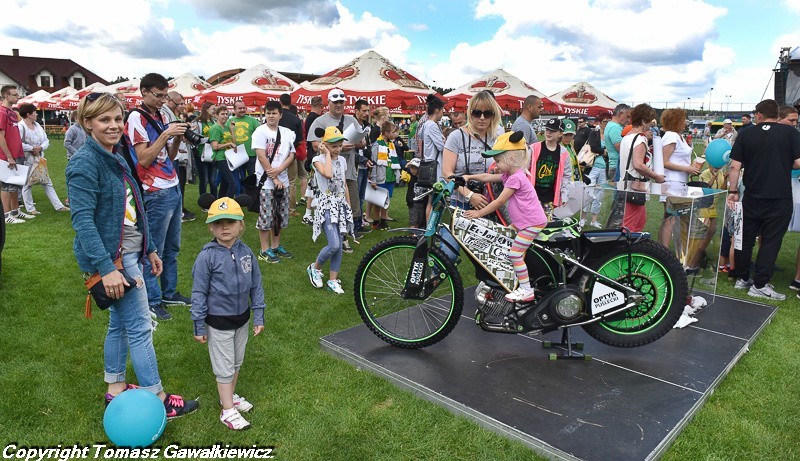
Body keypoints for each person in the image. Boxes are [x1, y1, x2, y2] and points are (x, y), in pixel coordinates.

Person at [67, 92, 198, 417]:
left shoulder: (116, 154)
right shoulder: (84, 164)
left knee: (119, 325)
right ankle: (158, 398)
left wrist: (150, 248)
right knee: (139, 327)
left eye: (117, 119)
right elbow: (82, 221)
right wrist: (107, 269)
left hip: (131, 252)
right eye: (104, 120)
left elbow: (133, 207)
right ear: (87, 123)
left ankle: (115, 387)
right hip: (114, 260)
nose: (114, 126)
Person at [191, 196, 265, 431]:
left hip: (242, 320)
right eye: (219, 222)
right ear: (211, 226)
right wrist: (198, 325)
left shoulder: (246, 252)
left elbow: (256, 284)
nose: (225, 227)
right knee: (224, 367)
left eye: (230, 222)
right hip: (218, 322)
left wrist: (259, 315)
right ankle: (227, 410)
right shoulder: (207, 257)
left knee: (236, 362)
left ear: (241, 225)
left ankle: (230, 396)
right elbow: (198, 292)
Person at [125, 73, 192, 319]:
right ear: (143, 91)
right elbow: (143, 158)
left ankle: (169, 292)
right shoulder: (135, 118)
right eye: (158, 95)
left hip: (172, 184)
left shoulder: (163, 115)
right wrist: (165, 134)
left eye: (165, 96)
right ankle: (152, 300)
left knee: (173, 247)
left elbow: (169, 157)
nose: (163, 101)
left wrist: (176, 138)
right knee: (154, 248)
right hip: (154, 190)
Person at [727, 99, 800, 301]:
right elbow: (797, 163)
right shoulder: (791, 133)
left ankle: (742, 278)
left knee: (745, 238)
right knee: (771, 240)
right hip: (779, 197)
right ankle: (759, 284)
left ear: (759, 115)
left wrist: (733, 190)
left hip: (752, 194)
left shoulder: (746, 133)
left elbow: (735, 166)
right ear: (777, 115)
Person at [463, 131, 547, 302]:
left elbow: (500, 201)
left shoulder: (516, 178)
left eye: (498, 160)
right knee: (508, 241)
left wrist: (478, 213)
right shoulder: (510, 175)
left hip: (531, 223)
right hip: (523, 221)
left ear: (510, 159)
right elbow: (488, 177)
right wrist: (469, 176)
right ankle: (515, 280)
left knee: (515, 254)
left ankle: (526, 290)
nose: (495, 164)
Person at [307, 89, 365, 253]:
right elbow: (314, 144)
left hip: (348, 169)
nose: (339, 105)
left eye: (342, 102)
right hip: (328, 171)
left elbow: (363, 142)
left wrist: (353, 144)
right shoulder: (320, 121)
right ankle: (338, 239)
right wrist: (333, 148)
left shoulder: (352, 119)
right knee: (331, 206)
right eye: (335, 102)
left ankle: (344, 236)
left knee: (349, 205)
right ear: (329, 103)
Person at [306, 126, 353, 295]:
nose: (338, 149)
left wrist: (348, 206)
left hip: (340, 205)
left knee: (339, 245)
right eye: (333, 146)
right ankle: (315, 267)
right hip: (326, 205)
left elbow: (344, 184)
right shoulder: (317, 160)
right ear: (325, 145)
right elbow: (327, 174)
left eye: (339, 145)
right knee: (333, 244)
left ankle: (333, 279)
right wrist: (326, 153)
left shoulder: (342, 161)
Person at [252, 100, 296, 263]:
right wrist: (274, 177)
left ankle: (276, 246)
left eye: (274, 113)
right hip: (266, 183)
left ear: (280, 115)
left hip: (282, 180)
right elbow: (261, 156)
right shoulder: (260, 131)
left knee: (279, 216)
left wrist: (280, 169)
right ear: (265, 114)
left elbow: (291, 155)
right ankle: (264, 250)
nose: (271, 116)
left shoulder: (287, 132)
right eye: (268, 113)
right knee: (266, 217)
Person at [442, 90, 502, 208]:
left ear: (493, 115)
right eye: (477, 113)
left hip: (490, 203)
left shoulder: (498, 138)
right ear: (470, 113)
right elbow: (447, 173)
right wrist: (470, 195)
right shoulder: (456, 137)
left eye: (488, 113)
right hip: (461, 202)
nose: (482, 118)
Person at [618, 104, 665, 233]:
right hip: (635, 187)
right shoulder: (640, 139)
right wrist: (656, 176)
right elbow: (638, 164)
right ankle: (627, 250)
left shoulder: (627, 137)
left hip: (627, 185)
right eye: (649, 122)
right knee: (630, 226)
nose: (651, 125)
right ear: (643, 121)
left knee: (637, 221)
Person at [17, 103, 68, 214]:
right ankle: (31, 209)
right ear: (28, 114)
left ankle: (58, 206)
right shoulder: (20, 127)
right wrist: (31, 148)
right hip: (26, 159)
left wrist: (40, 147)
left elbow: (46, 140)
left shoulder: (37, 125)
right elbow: (17, 143)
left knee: (46, 181)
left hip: (39, 158)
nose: (36, 114)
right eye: (34, 112)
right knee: (27, 184)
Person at [658, 108, 699, 247]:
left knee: (671, 218)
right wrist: (687, 168)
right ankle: (664, 250)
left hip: (679, 182)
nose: (685, 123)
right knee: (672, 218)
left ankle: (662, 249)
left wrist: (690, 167)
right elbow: (664, 161)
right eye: (683, 120)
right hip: (672, 182)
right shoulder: (671, 136)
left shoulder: (677, 136)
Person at [160, 92, 194, 222]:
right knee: (174, 186)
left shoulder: (172, 114)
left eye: (183, 103)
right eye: (179, 103)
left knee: (178, 185)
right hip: (169, 156)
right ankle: (176, 212)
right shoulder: (164, 113)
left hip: (176, 154)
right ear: (169, 100)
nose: (182, 106)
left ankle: (179, 210)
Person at [0, 85, 32, 224]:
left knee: (15, 185)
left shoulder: (12, 112)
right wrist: (8, 156)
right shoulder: (1, 112)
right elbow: (1, 136)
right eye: (14, 94)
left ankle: (15, 211)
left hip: (17, 153)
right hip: (7, 156)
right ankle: (6, 216)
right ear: (6, 96)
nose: (17, 97)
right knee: (6, 186)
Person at [530, 118, 572, 215]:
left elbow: (566, 175)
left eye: (552, 131)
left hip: (549, 196)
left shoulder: (563, 153)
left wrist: (565, 194)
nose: (548, 133)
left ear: (560, 133)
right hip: (532, 194)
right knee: (530, 221)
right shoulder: (534, 148)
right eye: (547, 129)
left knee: (546, 223)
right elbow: (524, 169)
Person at [580, 113, 611, 228]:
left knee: (600, 194)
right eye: (604, 121)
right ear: (600, 122)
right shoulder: (594, 133)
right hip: (593, 167)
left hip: (604, 168)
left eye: (608, 122)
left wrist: (603, 152)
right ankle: (583, 218)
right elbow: (593, 147)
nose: (606, 124)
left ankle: (593, 220)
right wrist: (604, 151)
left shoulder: (609, 135)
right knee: (588, 191)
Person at [604, 103, 632, 228]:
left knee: (619, 202)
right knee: (619, 203)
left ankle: (613, 228)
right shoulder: (615, 128)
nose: (627, 120)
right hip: (617, 167)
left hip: (615, 166)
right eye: (627, 116)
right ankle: (612, 229)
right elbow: (621, 148)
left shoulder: (612, 126)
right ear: (620, 114)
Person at [369, 120, 400, 230]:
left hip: (390, 176)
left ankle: (383, 220)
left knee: (386, 200)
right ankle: (376, 222)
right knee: (378, 201)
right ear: (386, 133)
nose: (395, 134)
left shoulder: (392, 145)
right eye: (392, 132)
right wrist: (373, 179)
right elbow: (373, 163)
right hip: (380, 177)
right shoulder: (377, 145)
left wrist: (397, 175)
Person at [278, 94, 304, 214]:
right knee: (291, 181)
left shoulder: (277, 117)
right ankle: (291, 208)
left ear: (280, 102)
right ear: (290, 102)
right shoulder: (295, 119)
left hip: (276, 153)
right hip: (290, 153)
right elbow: (299, 139)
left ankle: (277, 204)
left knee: (276, 179)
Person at [301, 96, 324, 225]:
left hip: (312, 154)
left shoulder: (310, 117)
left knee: (313, 185)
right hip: (315, 155)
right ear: (320, 105)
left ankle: (309, 213)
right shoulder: (315, 119)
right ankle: (310, 213)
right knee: (315, 186)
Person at [208, 106, 237, 199]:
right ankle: (227, 206)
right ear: (216, 115)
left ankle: (219, 204)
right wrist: (228, 144)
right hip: (220, 158)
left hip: (228, 158)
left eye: (226, 114)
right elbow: (215, 146)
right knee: (232, 184)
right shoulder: (215, 128)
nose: (225, 116)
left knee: (225, 184)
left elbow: (234, 144)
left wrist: (232, 130)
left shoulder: (226, 127)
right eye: (222, 114)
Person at [195, 102, 217, 200]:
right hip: (201, 154)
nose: (214, 111)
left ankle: (214, 200)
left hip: (212, 153)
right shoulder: (198, 122)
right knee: (204, 180)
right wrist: (209, 139)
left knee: (213, 180)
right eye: (213, 109)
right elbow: (195, 139)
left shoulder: (214, 122)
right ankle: (204, 201)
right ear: (206, 109)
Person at [420, 94, 446, 182]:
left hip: (429, 161)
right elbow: (441, 146)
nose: (443, 113)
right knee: (436, 190)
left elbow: (421, 137)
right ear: (437, 110)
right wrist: (444, 141)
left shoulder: (426, 124)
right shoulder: (432, 125)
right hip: (435, 164)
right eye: (442, 110)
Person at [405, 158, 426, 228]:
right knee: (413, 219)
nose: (413, 170)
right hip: (413, 203)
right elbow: (403, 175)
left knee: (419, 219)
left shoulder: (423, 178)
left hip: (421, 202)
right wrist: (406, 166)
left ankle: (416, 232)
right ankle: (412, 233)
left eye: (415, 168)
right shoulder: (410, 177)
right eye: (411, 168)